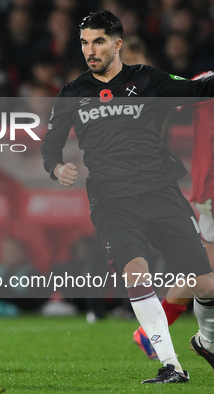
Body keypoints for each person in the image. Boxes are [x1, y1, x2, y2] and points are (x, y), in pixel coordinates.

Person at [41, 10, 214, 384]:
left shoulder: (148, 80)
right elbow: (49, 147)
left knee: (207, 285)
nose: (91, 50)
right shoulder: (72, 93)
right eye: (85, 42)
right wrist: (57, 168)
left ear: (118, 44)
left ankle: (208, 342)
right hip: (112, 199)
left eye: (99, 41)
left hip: (161, 191)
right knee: (136, 272)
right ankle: (172, 365)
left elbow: (199, 89)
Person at [133, 71, 214, 360]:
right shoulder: (206, 81)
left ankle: (154, 331)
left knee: (206, 271)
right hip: (211, 184)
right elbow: (161, 101)